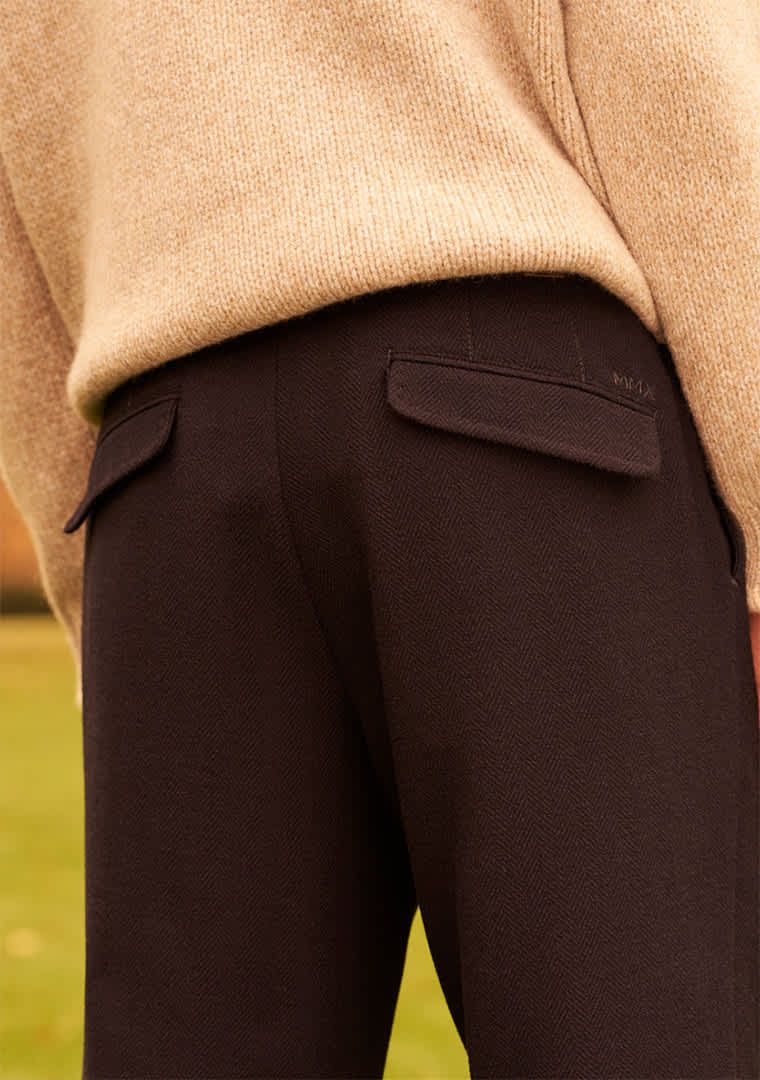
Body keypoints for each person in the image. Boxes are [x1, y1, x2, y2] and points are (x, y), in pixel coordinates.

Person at [1, 3, 758, 1077]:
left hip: (164, 458)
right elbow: (666, 56)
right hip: (525, 417)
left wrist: (96, 583)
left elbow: (16, 156)